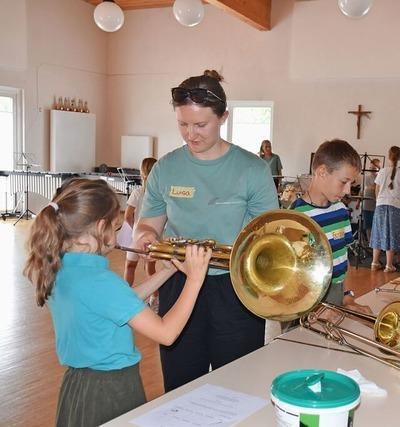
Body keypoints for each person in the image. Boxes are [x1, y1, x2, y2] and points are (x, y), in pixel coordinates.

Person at [133, 69, 279, 392]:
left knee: (237, 386)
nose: (190, 134)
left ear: (223, 117)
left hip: (237, 289)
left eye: (200, 125)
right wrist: (144, 236)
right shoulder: (165, 169)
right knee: (181, 386)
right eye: (183, 124)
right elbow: (148, 224)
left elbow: (269, 240)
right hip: (179, 283)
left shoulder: (253, 171)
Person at [23, 178, 212, 426]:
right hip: (111, 390)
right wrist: (195, 280)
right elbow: (166, 333)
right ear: (101, 228)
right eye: (115, 227)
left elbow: (120, 303)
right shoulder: (100, 281)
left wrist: (167, 270)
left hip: (78, 387)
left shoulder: (61, 267)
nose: (116, 234)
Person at [290, 139, 371, 313]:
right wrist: (315, 309)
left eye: (352, 184)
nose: (348, 190)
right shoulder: (296, 217)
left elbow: (343, 258)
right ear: (322, 172)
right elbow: (292, 277)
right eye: (344, 182)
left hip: (336, 292)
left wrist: (348, 297)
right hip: (304, 301)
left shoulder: (341, 210)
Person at [370, 146, 400, 272]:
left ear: (388, 156)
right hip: (395, 206)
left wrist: (379, 201)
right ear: (399, 157)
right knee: (391, 234)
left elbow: (376, 189)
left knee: (378, 232)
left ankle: (374, 262)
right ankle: (389, 265)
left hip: (380, 205)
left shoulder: (382, 172)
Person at [124, 157, 157, 286]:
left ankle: (126, 298)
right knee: (150, 268)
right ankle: (154, 298)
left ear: (142, 172)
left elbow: (127, 216)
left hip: (136, 236)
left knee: (130, 266)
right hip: (154, 234)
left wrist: (134, 229)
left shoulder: (137, 192)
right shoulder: (158, 193)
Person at [361, 158, 381, 244]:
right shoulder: (366, 177)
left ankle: (377, 243)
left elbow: (377, 189)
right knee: (368, 225)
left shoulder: (380, 178)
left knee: (376, 225)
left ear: (378, 168)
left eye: (373, 169)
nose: (371, 171)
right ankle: (370, 242)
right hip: (366, 204)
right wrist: (359, 202)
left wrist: (373, 188)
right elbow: (362, 190)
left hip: (376, 205)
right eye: (370, 168)